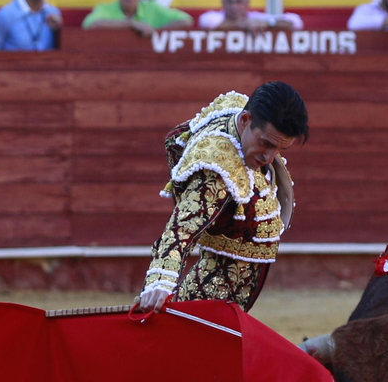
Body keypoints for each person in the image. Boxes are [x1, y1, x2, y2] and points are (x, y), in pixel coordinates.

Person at [132, 82, 309, 313]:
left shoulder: (232, 111)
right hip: (212, 297)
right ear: (245, 121)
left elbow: (177, 137)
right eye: (266, 143)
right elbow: (180, 231)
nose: (269, 157)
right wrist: (160, 281)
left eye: (279, 149)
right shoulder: (217, 170)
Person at [197, 0, 301, 31]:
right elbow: (207, 22)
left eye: (239, 2)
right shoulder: (215, 17)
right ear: (222, 3)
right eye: (229, 2)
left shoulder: (257, 19)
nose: (234, 6)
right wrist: (246, 25)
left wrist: (267, 23)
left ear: (248, 2)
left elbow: (296, 21)